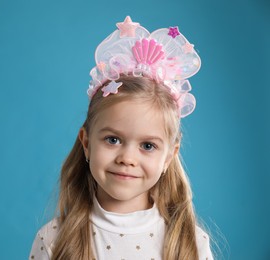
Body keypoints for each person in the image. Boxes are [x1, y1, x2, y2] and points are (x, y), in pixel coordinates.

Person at [29, 16, 213, 260]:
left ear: (169, 155)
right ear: (86, 143)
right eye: (113, 140)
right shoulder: (54, 240)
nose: (127, 158)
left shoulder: (190, 244)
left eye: (148, 145)